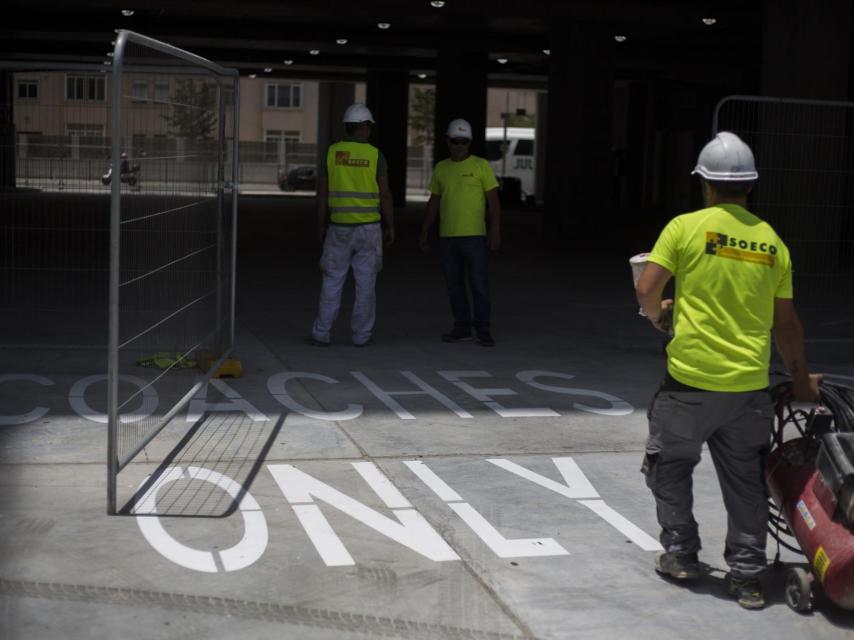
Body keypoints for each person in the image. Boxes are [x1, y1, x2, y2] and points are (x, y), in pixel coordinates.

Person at [635, 131, 821, 610]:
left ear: (705, 185)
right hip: (747, 392)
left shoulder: (685, 228)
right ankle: (746, 577)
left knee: (670, 467)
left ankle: (680, 553)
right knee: (745, 482)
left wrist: (659, 315)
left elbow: (646, 287)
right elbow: (786, 324)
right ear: (750, 187)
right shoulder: (772, 243)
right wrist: (800, 380)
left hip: (688, 386)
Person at [310, 102, 395, 347]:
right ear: (366, 126)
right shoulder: (375, 155)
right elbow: (386, 193)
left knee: (332, 280)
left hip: (339, 229)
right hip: (369, 230)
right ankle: (361, 335)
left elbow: (322, 193)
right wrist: (391, 225)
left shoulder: (332, 153)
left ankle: (322, 332)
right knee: (366, 284)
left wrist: (320, 224)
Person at [419, 118, 501, 347]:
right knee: (454, 286)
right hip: (448, 238)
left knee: (479, 285)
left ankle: (483, 330)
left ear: (470, 142)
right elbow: (433, 202)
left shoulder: (481, 166)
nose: (459, 145)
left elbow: (493, 201)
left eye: (463, 141)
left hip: (474, 236)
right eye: (455, 141)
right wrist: (425, 231)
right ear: (448, 141)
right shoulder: (441, 168)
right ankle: (462, 328)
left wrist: (495, 230)